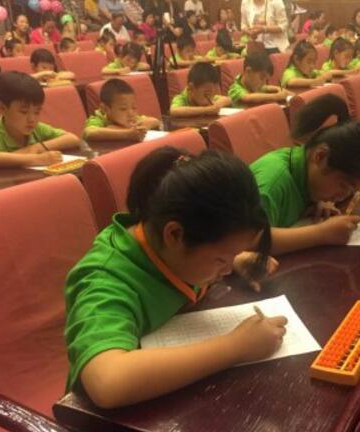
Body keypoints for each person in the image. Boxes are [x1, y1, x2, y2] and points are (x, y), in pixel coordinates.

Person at [64, 145, 285, 409]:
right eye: (220, 260)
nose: (225, 271)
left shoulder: (171, 247)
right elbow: (108, 382)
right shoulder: (104, 279)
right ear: (175, 235)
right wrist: (236, 347)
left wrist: (233, 259)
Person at [250, 94, 360, 255]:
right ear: (320, 156)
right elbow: (250, 241)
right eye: (344, 185)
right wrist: (322, 233)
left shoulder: (307, 173)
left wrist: (315, 201)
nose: (344, 196)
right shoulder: (271, 183)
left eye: (354, 190)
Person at [0, 71, 80, 168]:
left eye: (37, 112)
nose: (32, 119)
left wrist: (36, 148)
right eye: (24, 112)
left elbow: (73, 139)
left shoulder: (36, 129)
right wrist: (36, 159)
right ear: (2, 108)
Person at [83, 78, 160, 142]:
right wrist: (127, 134)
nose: (131, 113)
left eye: (134, 107)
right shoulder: (98, 119)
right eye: (123, 109)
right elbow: (89, 132)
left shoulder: (131, 119)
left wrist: (140, 128)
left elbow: (155, 121)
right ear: (105, 109)